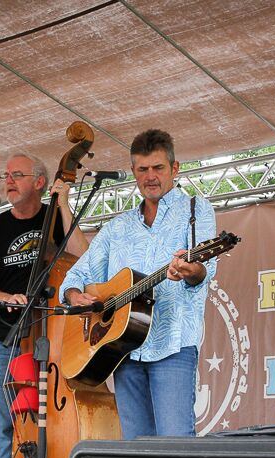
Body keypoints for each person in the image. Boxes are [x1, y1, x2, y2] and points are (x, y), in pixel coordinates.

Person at [59, 129, 217, 440]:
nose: (150, 176)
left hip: (172, 344)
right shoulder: (118, 226)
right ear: (133, 171)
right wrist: (75, 295)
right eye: (143, 169)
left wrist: (190, 270)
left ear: (174, 168)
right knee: (135, 448)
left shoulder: (195, 210)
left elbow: (204, 272)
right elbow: (77, 274)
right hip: (123, 349)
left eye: (158, 167)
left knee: (175, 442)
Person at [0, 152, 90, 458]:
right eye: (6, 176)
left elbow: (84, 257)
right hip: (9, 336)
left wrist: (64, 205)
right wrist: (5, 297)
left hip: (53, 335)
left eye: (17, 175)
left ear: (39, 182)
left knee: (56, 421)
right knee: (5, 428)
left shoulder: (55, 219)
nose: (8, 181)